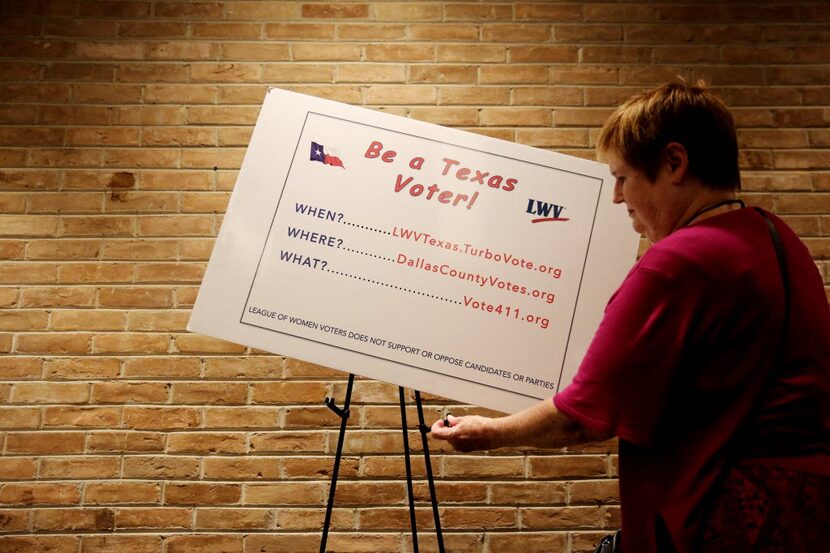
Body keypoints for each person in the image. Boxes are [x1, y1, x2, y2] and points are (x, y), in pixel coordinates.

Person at [431, 80, 830, 552]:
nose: (618, 197)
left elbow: (587, 418)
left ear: (674, 163)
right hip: (808, 510)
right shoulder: (778, 237)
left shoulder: (678, 263)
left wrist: (488, 432)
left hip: (724, 516)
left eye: (623, 178)